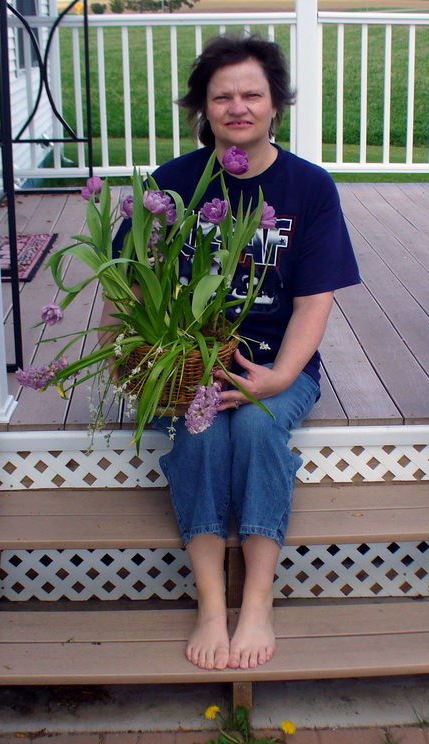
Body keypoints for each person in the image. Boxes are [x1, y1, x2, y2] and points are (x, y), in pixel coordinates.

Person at [135, 35, 361, 671]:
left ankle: (257, 599)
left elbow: (314, 301)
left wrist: (280, 377)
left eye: (252, 95)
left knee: (258, 430)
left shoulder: (309, 187)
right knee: (203, 433)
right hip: (187, 360)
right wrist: (137, 361)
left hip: (274, 359)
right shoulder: (172, 184)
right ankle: (212, 603)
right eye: (222, 97)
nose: (238, 107)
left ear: (275, 105)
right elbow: (132, 286)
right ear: (202, 109)